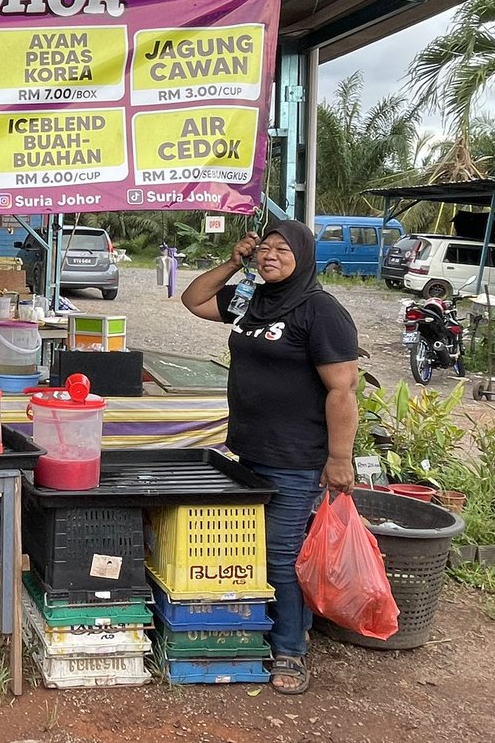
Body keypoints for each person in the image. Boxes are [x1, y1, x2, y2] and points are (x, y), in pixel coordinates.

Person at [180, 219, 358, 695]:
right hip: (248, 452)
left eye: (282, 249)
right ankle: (267, 630)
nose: (270, 255)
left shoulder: (320, 311)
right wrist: (232, 263)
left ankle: (290, 651)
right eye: (264, 249)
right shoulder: (251, 300)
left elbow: (342, 390)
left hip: (297, 457)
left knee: (280, 556)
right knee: (253, 551)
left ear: (304, 255)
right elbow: (193, 300)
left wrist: (339, 457)